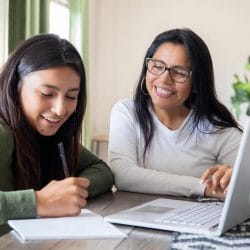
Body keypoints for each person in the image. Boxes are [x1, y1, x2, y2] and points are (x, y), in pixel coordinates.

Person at [108, 28, 242, 200]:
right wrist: (203, 188)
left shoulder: (215, 128)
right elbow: (123, 175)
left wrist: (234, 177)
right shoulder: (127, 112)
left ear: (196, 83)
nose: (164, 79)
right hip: (132, 218)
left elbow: (244, 181)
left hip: (195, 221)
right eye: (157, 66)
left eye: (179, 72)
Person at [0, 34, 114, 235]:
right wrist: (40, 201)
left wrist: (71, 193)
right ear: (15, 86)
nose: (61, 110)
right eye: (46, 94)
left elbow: (100, 169)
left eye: (71, 96)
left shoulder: (45, 134)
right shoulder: (3, 133)